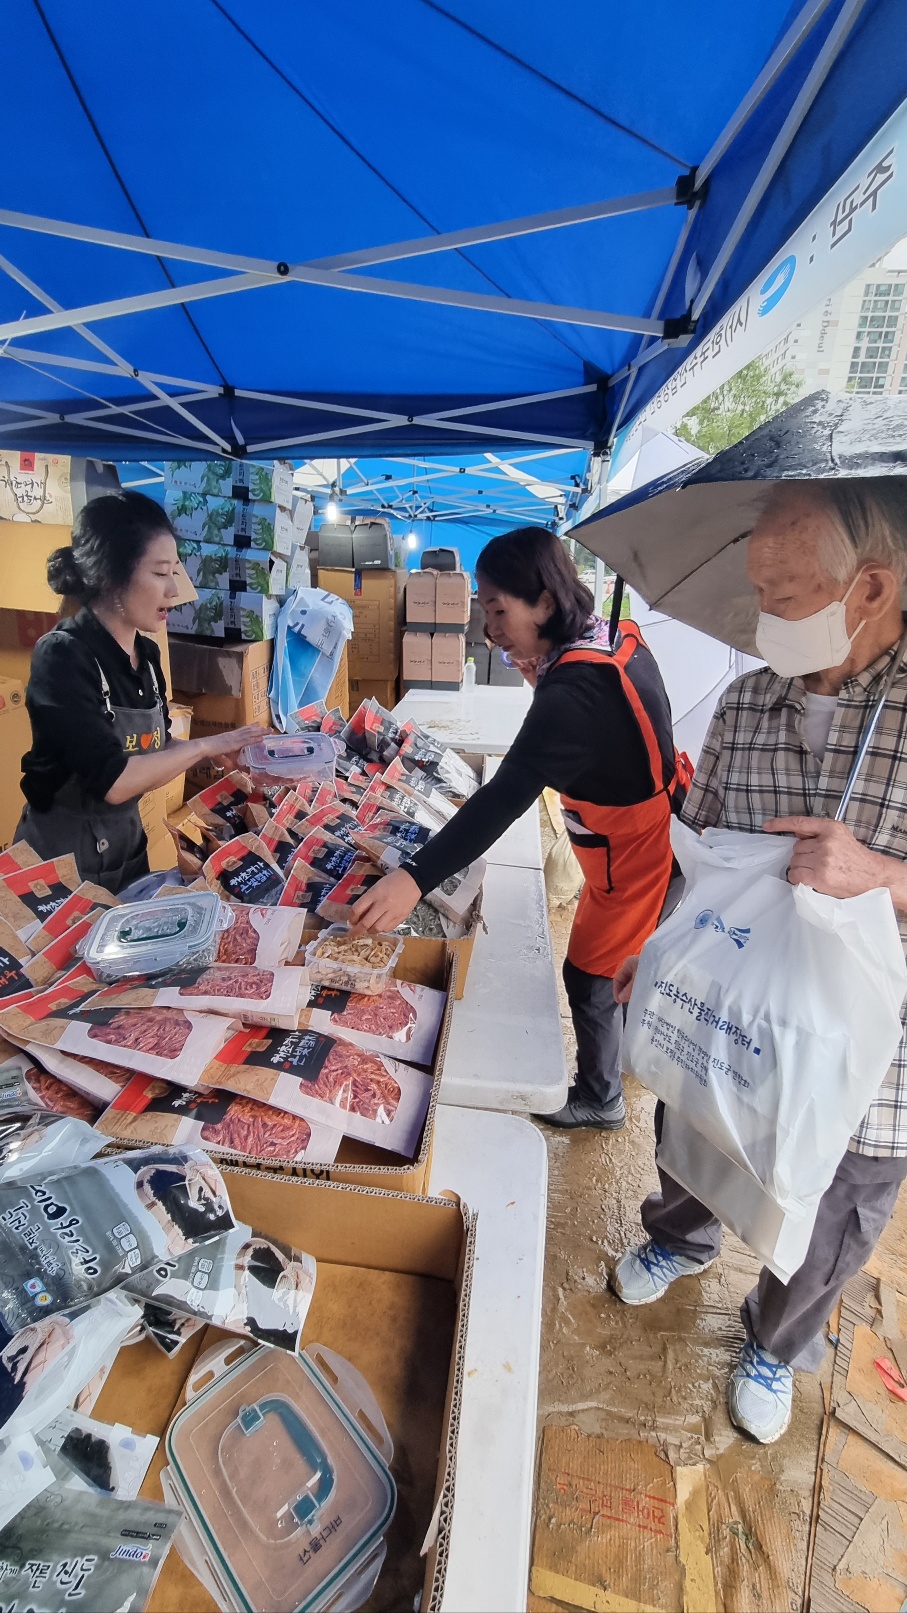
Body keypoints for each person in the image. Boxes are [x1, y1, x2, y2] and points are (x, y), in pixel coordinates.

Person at [612, 478, 907, 1445]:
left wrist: (879, 874)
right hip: (734, 996)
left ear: (867, 590)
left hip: (874, 1040)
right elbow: (697, 845)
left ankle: (774, 1344)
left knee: (837, 1208)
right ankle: (677, 1240)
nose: (762, 620)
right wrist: (651, 951)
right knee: (697, 1123)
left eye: (783, 598)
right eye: (757, 592)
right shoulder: (746, 703)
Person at [351, 525, 687, 1130]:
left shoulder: (575, 689)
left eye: (499, 609)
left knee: (589, 975)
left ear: (547, 603)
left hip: (641, 849)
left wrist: (415, 876)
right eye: (483, 606)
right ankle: (622, 1058)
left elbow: (505, 796)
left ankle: (602, 1095)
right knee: (630, 961)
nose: (488, 626)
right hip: (639, 826)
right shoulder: (609, 637)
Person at [17, 491, 264, 893]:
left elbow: (156, 747)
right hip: (59, 870)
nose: (174, 590)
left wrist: (216, 752)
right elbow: (113, 782)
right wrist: (203, 747)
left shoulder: (146, 655)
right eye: (160, 572)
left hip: (126, 856)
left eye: (175, 572)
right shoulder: (62, 657)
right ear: (112, 577)